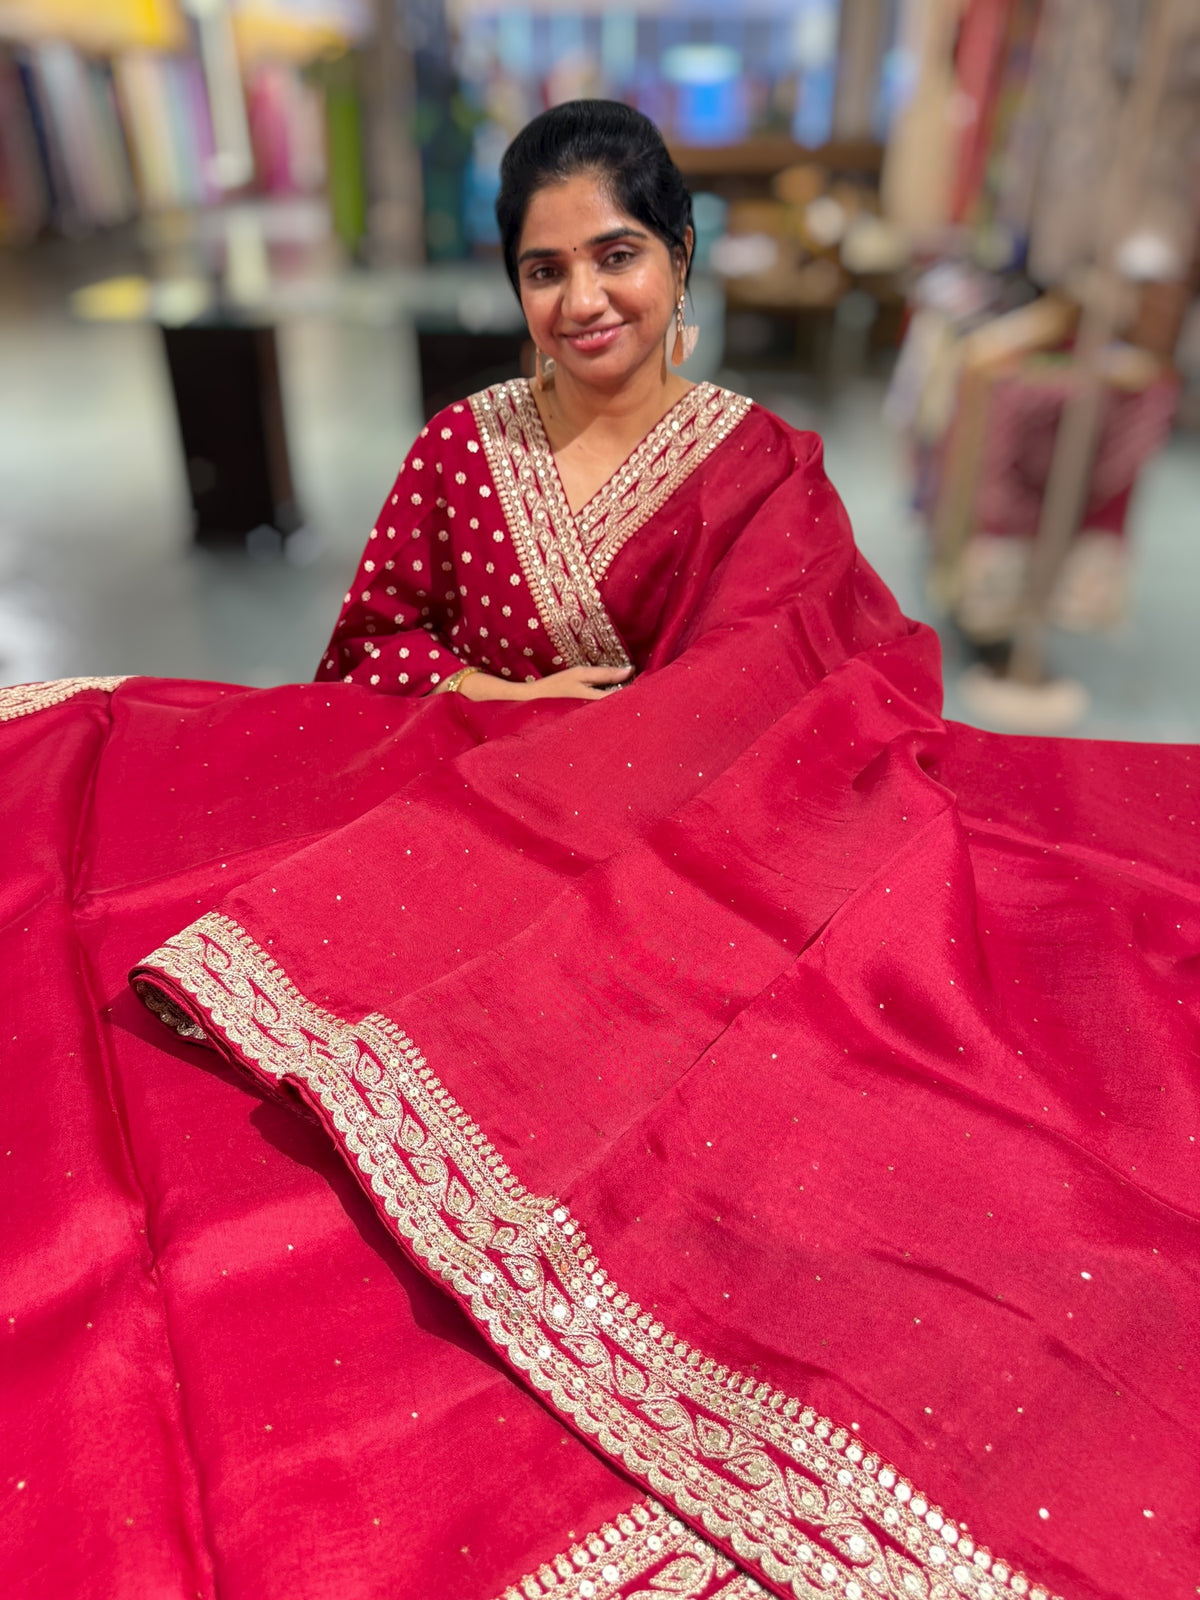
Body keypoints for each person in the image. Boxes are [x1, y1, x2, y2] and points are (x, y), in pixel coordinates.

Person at [2, 103, 1196, 1600]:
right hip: (449, 838)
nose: (583, 300)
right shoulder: (462, 449)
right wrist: (492, 698)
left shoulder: (759, 470)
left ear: (681, 257)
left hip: (670, 879)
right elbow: (365, 655)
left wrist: (614, 758)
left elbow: (792, 698)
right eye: (544, 268)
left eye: (616, 255)